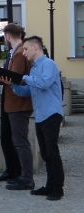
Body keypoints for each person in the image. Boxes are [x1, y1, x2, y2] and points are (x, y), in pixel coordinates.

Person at [6, 36, 65, 201]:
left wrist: (23, 78)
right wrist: (12, 84)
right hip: (40, 115)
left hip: (51, 114)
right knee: (46, 153)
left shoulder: (49, 64)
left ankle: (58, 189)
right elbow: (29, 92)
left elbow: (44, 83)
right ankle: (49, 186)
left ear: (36, 48)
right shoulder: (33, 69)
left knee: (52, 153)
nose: (23, 52)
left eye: (26, 49)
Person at [0, 24, 34, 190]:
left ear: (7, 35)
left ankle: (26, 177)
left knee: (20, 142)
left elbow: (15, 76)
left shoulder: (20, 52)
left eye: (4, 36)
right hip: (10, 101)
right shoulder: (14, 51)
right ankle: (13, 171)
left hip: (18, 102)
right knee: (7, 138)